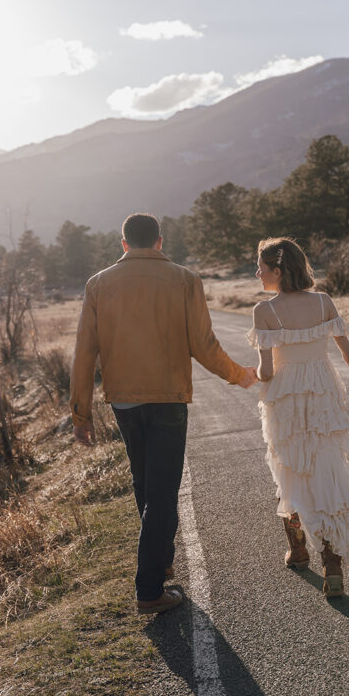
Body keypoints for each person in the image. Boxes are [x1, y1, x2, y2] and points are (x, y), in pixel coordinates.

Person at [70, 213, 257, 615]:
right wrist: (238, 375)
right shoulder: (184, 279)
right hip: (168, 398)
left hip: (123, 400)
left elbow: (85, 352)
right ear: (159, 242)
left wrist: (80, 414)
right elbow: (203, 344)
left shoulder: (98, 284)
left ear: (124, 244)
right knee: (162, 489)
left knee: (145, 482)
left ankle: (161, 560)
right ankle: (149, 589)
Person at [247, 237, 349, 598]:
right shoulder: (323, 302)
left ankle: (298, 549)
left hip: (285, 401)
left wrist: (246, 374)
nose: (257, 273)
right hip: (324, 395)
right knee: (324, 472)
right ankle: (332, 563)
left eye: (260, 267)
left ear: (277, 271)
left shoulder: (265, 311)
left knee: (290, 469)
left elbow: (266, 371)